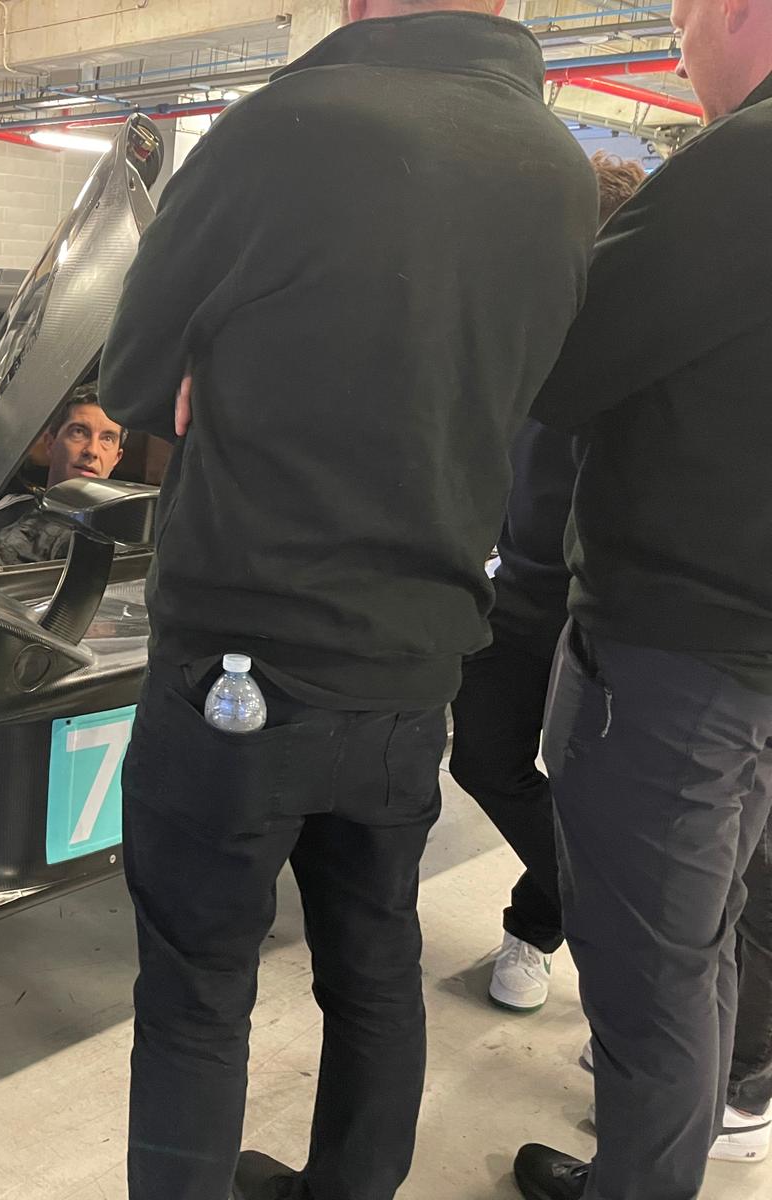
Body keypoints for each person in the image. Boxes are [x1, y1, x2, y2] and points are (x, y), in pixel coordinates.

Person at [97, 1, 599, 1197]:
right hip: (412, 656)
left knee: (197, 990)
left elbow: (126, 375)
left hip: (241, 653)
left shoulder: (287, 122)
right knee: (373, 966)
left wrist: (203, 375)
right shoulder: (559, 167)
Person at [510, 0, 772, 1194]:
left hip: (678, 645)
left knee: (649, 984)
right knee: (700, 951)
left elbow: (564, 362)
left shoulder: (741, 164)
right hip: (746, 646)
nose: (676, 47)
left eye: (679, 20)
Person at [449, 151, 647, 1016]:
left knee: (592, 792)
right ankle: (599, 903)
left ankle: (537, 928)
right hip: (517, 589)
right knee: (485, 758)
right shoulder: (520, 332)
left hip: (604, 608)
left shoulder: (642, 344)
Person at [0, 390, 126, 565]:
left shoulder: (118, 545)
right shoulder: (7, 503)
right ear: (50, 443)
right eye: (79, 432)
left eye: (107, 438)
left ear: (116, 458)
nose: (92, 451)